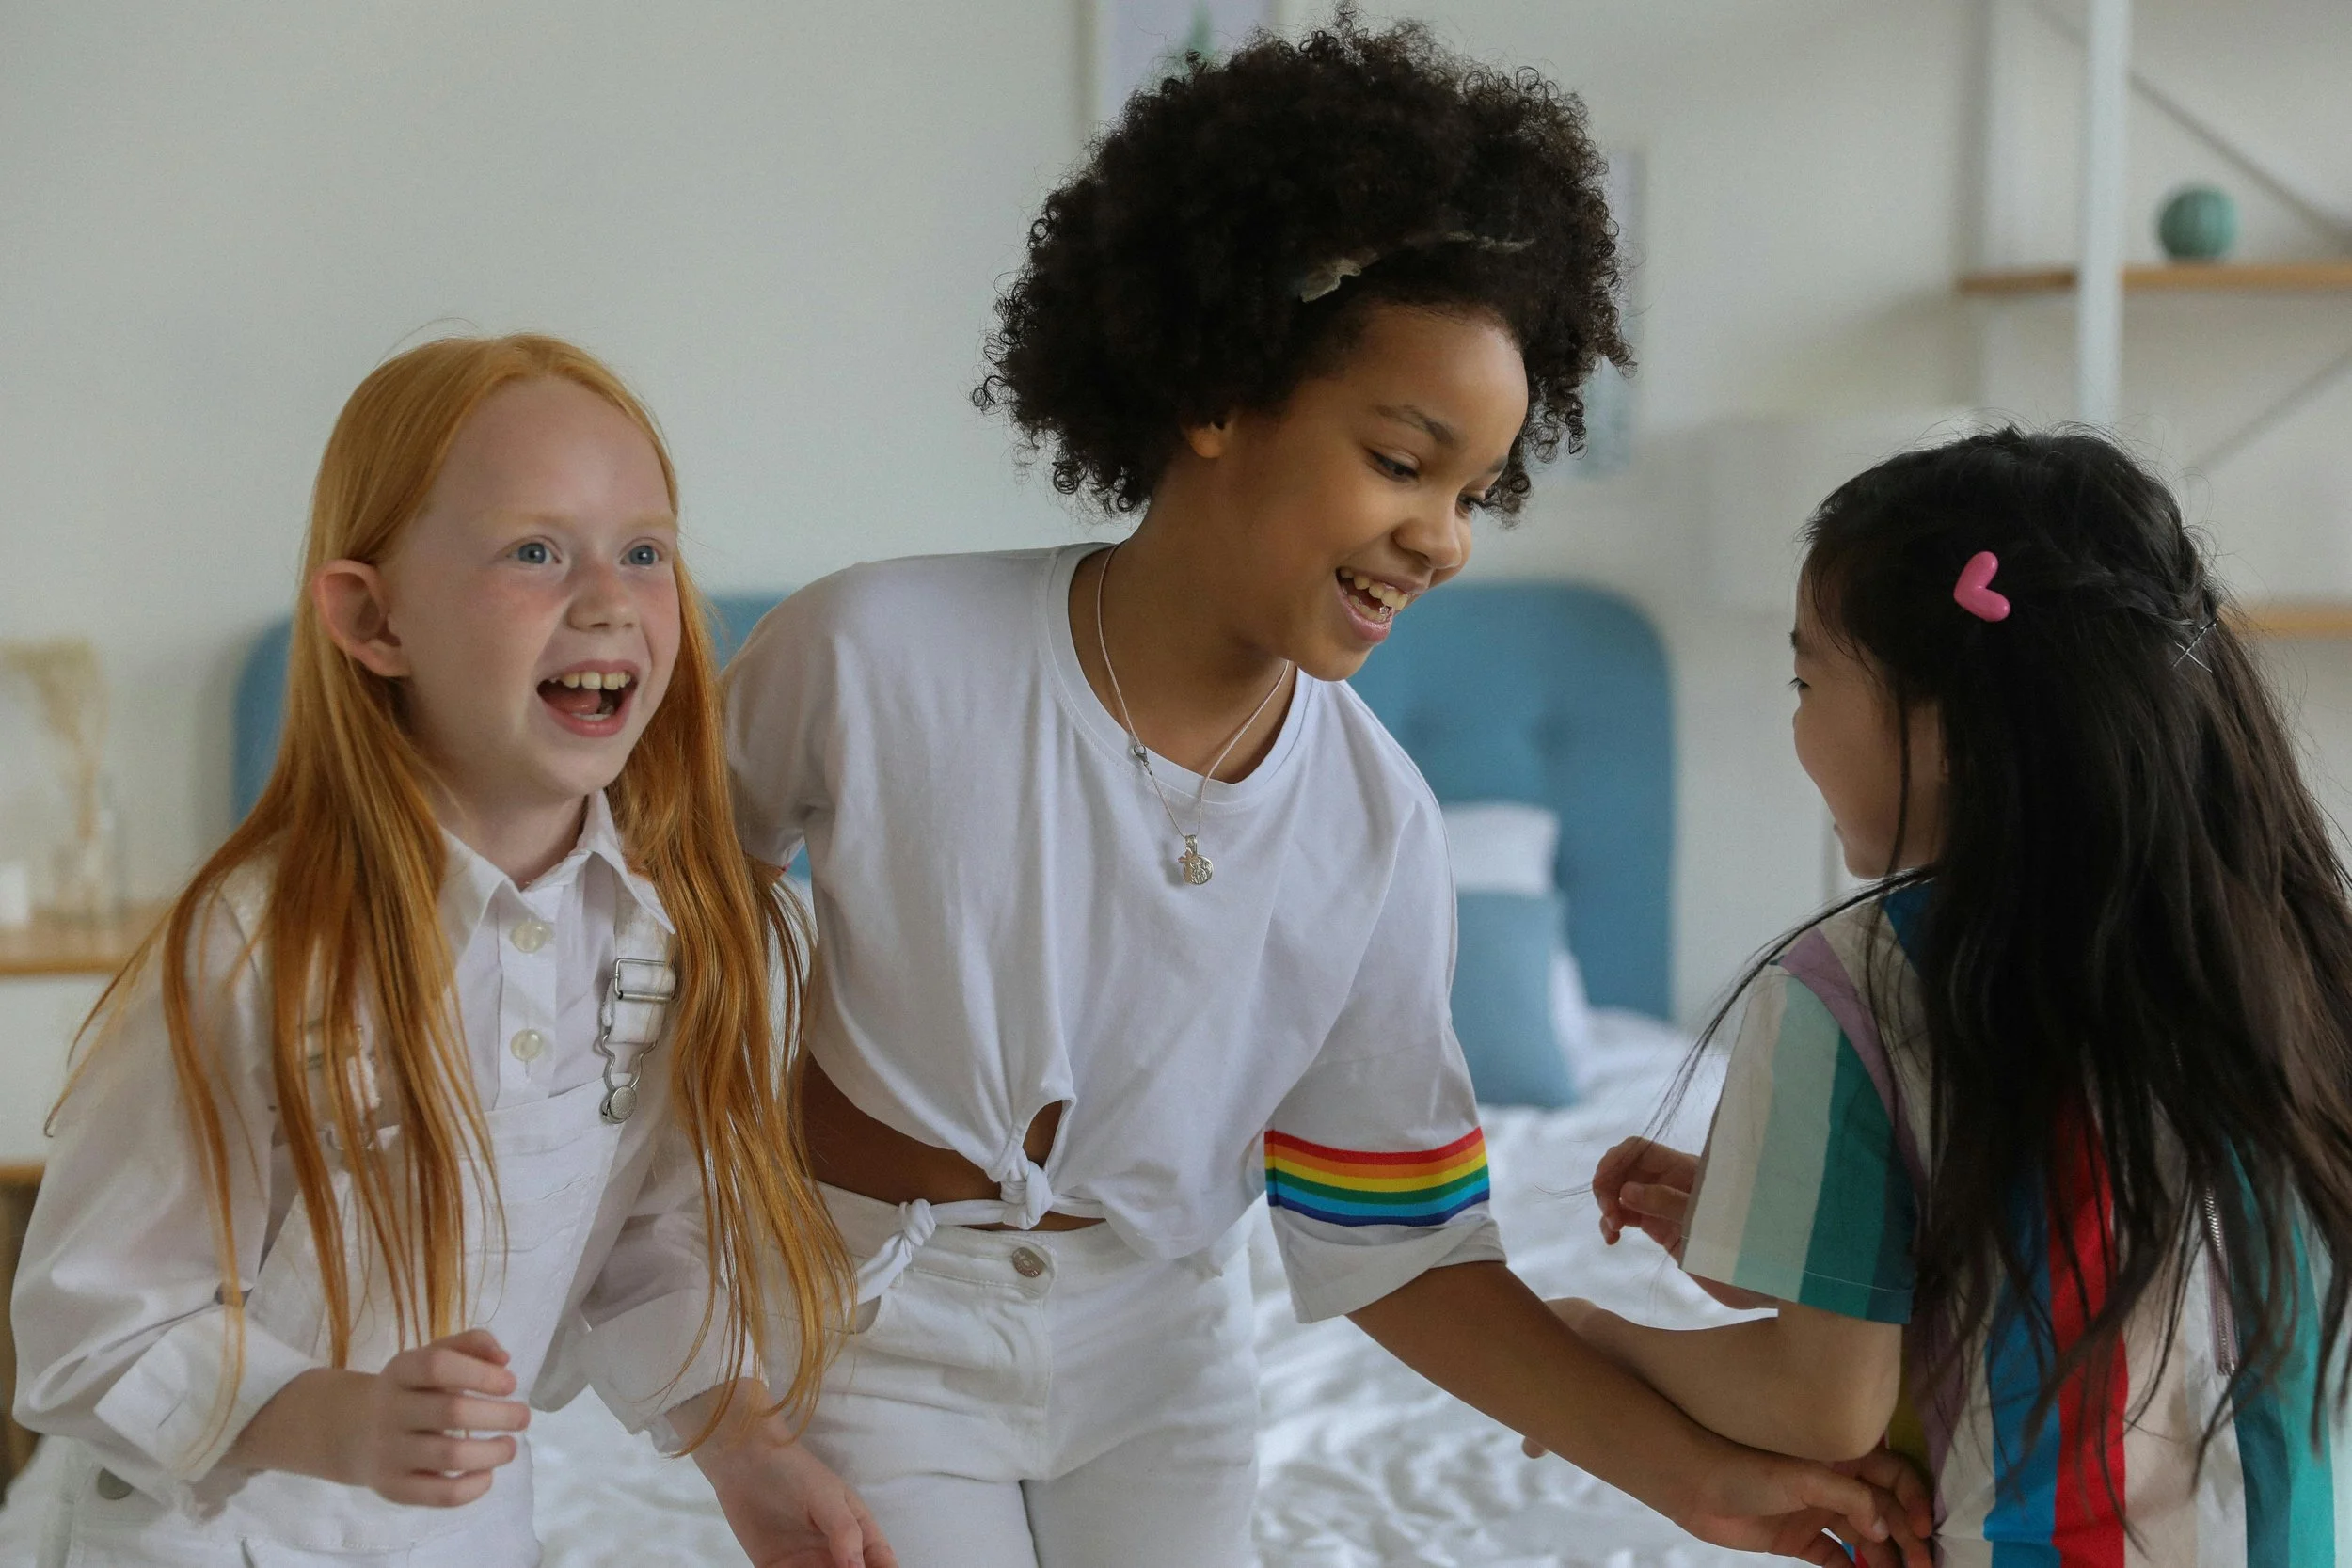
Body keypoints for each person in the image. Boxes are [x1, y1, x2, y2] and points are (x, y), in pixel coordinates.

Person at [725, 20, 1925, 1568]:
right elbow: (638, 917)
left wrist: (1693, 1478)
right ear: (1219, 387)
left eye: (1475, 492)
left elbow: (1396, 1242)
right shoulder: (878, 650)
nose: (1443, 538)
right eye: (1402, 459)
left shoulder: (1377, 823)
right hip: (872, 1327)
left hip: (1161, 1353)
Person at [15, 334, 893, 1567]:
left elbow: (642, 1253)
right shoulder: (251, 946)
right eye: (535, 549)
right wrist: (335, 1416)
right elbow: (88, 1324)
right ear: (374, 619)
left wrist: (749, 1448)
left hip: (467, 1535)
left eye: (643, 549)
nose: (606, 595)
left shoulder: (665, 931)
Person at [1566, 427, 2352, 1561]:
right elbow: (2088, 1261)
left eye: (1805, 677)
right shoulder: (2275, 955)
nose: (1794, 722)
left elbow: (1816, 1403)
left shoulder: (1851, 988)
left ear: (1944, 724)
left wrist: (1597, 1339)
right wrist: (1766, 1228)